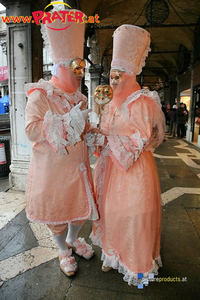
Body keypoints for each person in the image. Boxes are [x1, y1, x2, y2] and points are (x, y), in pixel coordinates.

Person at [90, 24, 166, 286]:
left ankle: (136, 263)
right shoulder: (109, 102)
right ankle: (112, 254)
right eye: (112, 74)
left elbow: (141, 138)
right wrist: (96, 131)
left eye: (119, 74)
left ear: (132, 73)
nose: (114, 80)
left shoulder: (143, 102)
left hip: (134, 171)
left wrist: (108, 138)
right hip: (111, 168)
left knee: (134, 212)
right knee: (110, 211)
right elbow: (105, 132)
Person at [24, 10, 98, 277]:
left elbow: (84, 127)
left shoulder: (79, 96)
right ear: (62, 66)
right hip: (52, 171)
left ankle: (73, 239)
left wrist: (96, 133)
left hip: (77, 167)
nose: (79, 73)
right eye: (76, 68)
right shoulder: (41, 94)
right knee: (56, 212)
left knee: (80, 210)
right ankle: (63, 250)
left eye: (82, 68)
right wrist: (67, 122)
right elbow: (32, 129)